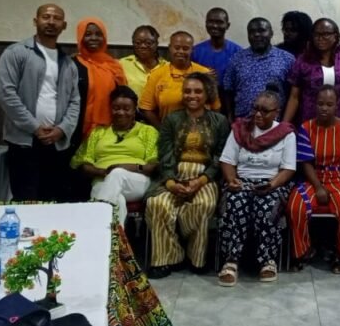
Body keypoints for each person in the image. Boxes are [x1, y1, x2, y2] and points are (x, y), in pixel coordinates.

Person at [145, 72, 230, 278]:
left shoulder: (219, 121)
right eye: (188, 91)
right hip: (173, 173)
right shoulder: (171, 120)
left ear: (207, 94)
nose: (192, 95)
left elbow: (220, 157)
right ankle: (167, 257)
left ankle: (195, 256)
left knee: (203, 205)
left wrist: (201, 180)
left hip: (205, 176)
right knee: (158, 204)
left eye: (198, 91)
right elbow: (164, 154)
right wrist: (171, 182)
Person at [0, 3, 80, 201]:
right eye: (46, 17)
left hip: (57, 143)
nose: (51, 22)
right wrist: (34, 127)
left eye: (56, 18)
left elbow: (75, 101)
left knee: (53, 201)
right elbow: (6, 94)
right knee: (27, 200)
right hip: (25, 142)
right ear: (36, 21)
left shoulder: (67, 62)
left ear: (64, 25)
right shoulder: (16, 53)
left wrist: (62, 129)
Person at [217, 91, 297, 287]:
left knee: (268, 207)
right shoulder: (240, 130)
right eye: (255, 109)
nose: (258, 114)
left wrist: (271, 185)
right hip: (242, 180)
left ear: (276, 112)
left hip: (272, 182)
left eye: (264, 111)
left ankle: (267, 260)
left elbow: (288, 169)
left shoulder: (286, 134)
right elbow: (227, 161)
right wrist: (231, 180)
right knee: (235, 203)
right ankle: (231, 260)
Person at [286, 86, 340, 274]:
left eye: (329, 104)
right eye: (320, 104)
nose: (324, 108)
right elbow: (305, 162)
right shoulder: (306, 127)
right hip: (313, 177)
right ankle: (303, 251)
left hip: (339, 178)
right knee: (295, 207)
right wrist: (319, 187)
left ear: (337, 106)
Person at [70, 86, 159, 225]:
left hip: (137, 181)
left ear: (134, 109)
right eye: (116, 108)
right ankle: (116, 245)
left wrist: (125, 167)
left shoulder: (148, 131)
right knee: (118, 202)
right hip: (102, 181)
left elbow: (153, 166)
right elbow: (83, 163)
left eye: (126, 108)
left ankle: (92, 225)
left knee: (117, 174)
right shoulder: (98, 132)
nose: (121, 112)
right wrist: (103, 172)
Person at [282, 18, 340, 127]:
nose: (320, 38)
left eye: (326, 34)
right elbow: (294, 97)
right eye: (316, 34)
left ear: (335, 36)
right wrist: (284, 124)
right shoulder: (303, 60)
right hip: (310, 122)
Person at [140, 31, 220, 127]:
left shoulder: (204, 73)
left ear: (192, 50)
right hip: (169, 130)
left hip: (201, 131)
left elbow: (215, 107)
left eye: (185, 48)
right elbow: (146, 108)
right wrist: (162, 130)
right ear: (170, 48)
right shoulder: (157, 74)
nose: (181, 51)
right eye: (177, 48)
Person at [223, 17, 295, 119]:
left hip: (274, 124)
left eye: (261, 31)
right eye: (252, 32)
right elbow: (228, 90)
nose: (256, 35)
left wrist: (285, 122)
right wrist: (230, 117)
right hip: (243, 123)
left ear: (271, 33)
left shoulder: (287, 59)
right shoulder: (236, 58)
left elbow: (293, 94)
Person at [73, 17, 128, 139]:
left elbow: (123, 95)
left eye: (98, 34)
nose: (93, 38)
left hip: (110, 128)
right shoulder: (72, 64)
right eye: (87, 34)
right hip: (78, 128)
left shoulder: (113, 65)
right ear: (80, 37)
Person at [193, 7, 243, 89]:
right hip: (202, 97)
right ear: (206, 24)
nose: (215, 26)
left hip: (229, 97)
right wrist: (201, 75)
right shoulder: (195, 51)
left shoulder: (238, 52)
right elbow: (188, 75)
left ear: (227, 25)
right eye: (211, 22)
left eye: (219, 22)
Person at [119, 25, 166, 97]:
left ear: (156, 44)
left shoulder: (167, 67)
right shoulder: (122, 64)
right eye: (138, 43)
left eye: (148, 43)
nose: (143, 46)